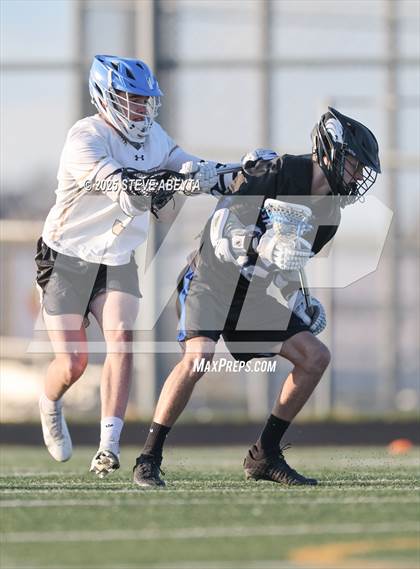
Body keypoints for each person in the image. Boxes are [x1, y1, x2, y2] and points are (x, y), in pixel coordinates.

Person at [132, 107, 381, 488]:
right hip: (212, 278)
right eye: (355, 165)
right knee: (198, 358)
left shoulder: (329, 215)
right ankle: (149, 457)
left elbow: (285, 269)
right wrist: (261, 243)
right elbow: (222, 228)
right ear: (332, 152)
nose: (359, 176)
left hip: (252, 293)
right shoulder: (277, 171)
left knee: (315, 357)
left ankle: (264, 454)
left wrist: (297, 301)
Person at [35, 54, 227, 478]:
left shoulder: (154, 137)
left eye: (144, 99)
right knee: (73, 364)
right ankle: (49, 402)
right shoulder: (85, 138)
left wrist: (232, 174)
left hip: (117, 256)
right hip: (66, 255)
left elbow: (186, 164)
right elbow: (126, 188)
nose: (141, 107)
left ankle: (108, 446)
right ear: (106, 97)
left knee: (121, 336)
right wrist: (172, 181)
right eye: (131, 98)